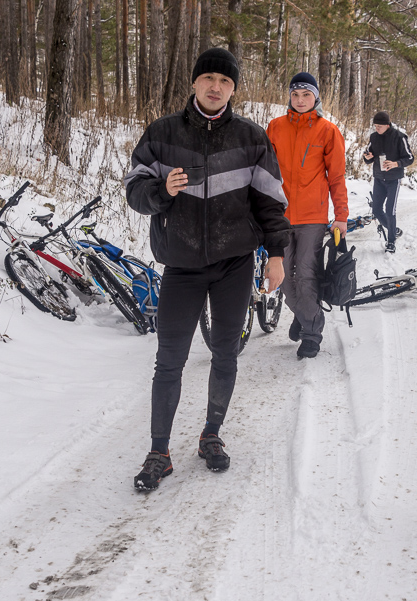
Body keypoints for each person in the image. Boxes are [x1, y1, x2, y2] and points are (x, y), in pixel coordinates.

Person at [124, 48, 291, 490]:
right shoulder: (162, 134)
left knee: (225, 351)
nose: (216, 87)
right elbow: (134, 192)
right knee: (170, 359)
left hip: (235, 263)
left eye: (226, 81)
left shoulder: (251, 138)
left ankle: (211, 435)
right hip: (182, 264)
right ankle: (159, 451)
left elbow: (272, 203)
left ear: (234, 89)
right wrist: (162, 189)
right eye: (209, 78)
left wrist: (276, 254)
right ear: (194, 83)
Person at [266, 72, 349, 358]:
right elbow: (264, 174)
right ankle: (303, 316)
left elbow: (337, 177)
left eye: (306, 95)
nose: (300, 100)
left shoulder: (328, 131)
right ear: (289, 97)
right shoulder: (275, 128)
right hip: (280, 216)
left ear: (316, 98)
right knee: (284, 280)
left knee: (306, 277)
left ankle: (312, 332)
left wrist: (341, 215)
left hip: (313, 218)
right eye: (295, 95)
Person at [362, 111, 414, 253]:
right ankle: (394, 230)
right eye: (375, 126)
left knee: (390, 211)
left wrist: (396, 164)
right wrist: (367, 156)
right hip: (379, 178)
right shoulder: (374, 137)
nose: (376, 129)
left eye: (379, 126)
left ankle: (391, 241)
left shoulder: (399, 137)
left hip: (393, 180)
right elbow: (369, 157)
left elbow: (410, 158)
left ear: (387, 125)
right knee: (377, 210)